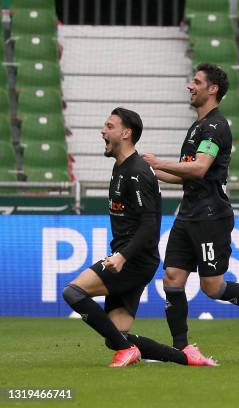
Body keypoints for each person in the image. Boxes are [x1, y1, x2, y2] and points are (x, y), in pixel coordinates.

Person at [142, 63, 239, 362]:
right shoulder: (197, 126)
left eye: (196, 81)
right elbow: (186, 175)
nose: (189, 85)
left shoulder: (214, 126)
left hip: (211, 215)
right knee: (172, 278)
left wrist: (158, 162)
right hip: (188, 213)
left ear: (213, 89)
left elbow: (199, 168)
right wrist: (148, 172)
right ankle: (181, 349)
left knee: (212, 287)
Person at [63, 108, 209, 367]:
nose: (102, 131)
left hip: (133, 260)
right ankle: (184, 358)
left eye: (109, 126)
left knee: (73, 292)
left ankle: (127, 350)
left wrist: (122, 256)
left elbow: (150, 224)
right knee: (116, 336)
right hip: (133, 258)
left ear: (126, 133)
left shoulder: (137, 172)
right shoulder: (121, 168)